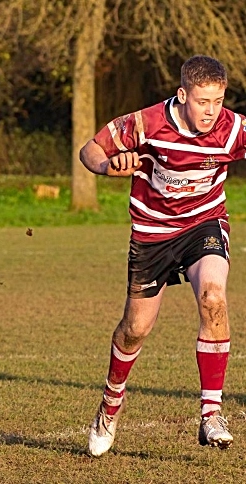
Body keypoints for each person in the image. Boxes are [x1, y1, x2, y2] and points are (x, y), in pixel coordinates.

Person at [79, 55, 246, 457]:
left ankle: (211, 414)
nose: (211, 111)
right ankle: (109, 407)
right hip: (152, 234)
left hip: (205, 224)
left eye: (219, 101)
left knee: (213, 297)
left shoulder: (233, 129)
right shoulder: (146, 123)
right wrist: (109, 166)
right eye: (203, 101)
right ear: (182, 94)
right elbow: (90, 150)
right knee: (135, 329)